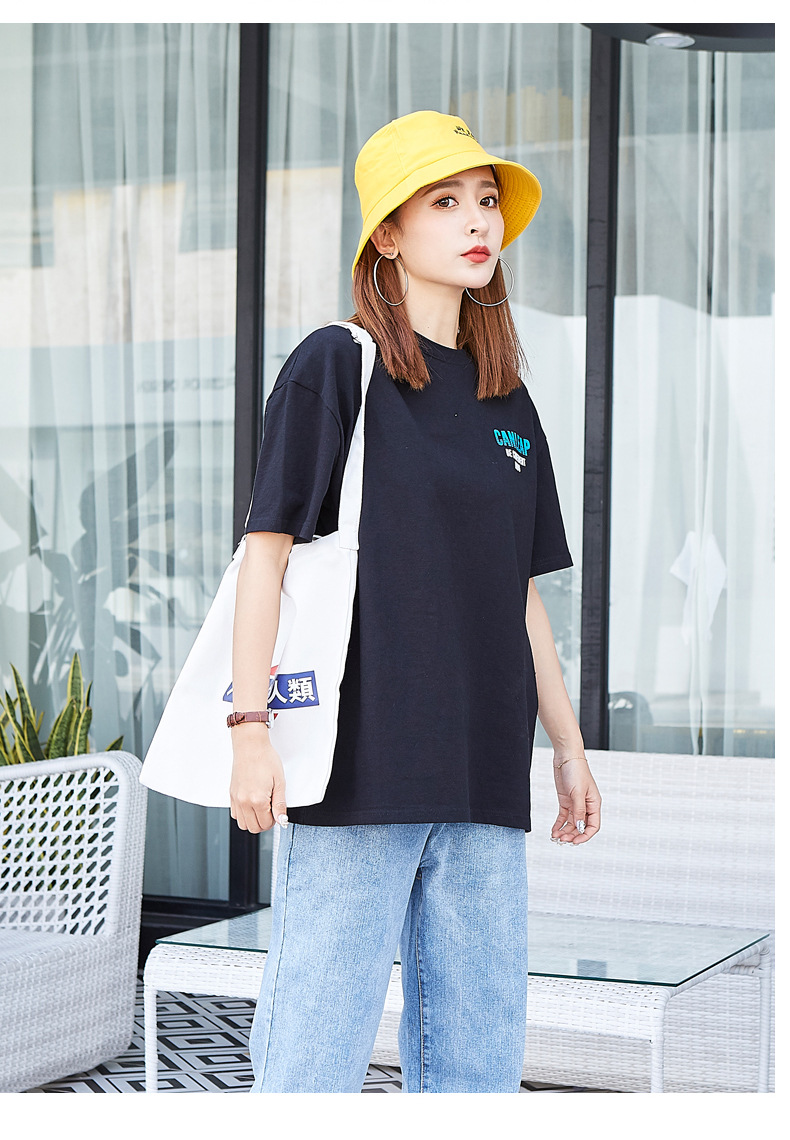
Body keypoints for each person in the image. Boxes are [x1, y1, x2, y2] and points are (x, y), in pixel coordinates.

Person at [230, 109, 601, 1094]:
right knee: (312, 1058)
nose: (478, 221)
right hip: (361, 769)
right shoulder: (336, 364)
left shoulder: (506, 402)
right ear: (387, 234)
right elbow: (265, 556)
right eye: (445, 201)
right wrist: (249, 729)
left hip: (485, 777)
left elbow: (520, 595)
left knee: (478, 1065)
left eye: (486, 200)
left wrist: (566, 749)